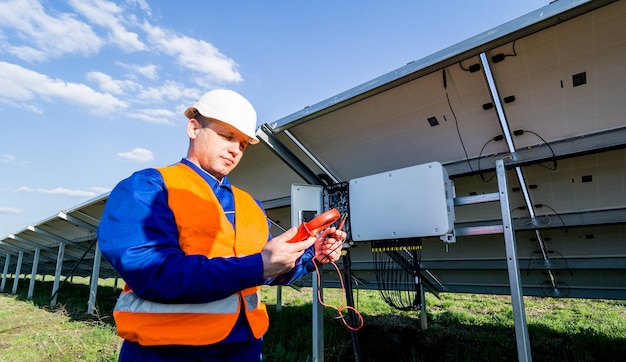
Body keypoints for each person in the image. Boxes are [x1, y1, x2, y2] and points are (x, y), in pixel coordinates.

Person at [97, 89, 345, 361]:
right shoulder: (150, 187)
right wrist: (258, 265)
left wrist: (312, 257)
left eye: (242, 144)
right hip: (168, 351)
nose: (234, 150)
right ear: (193, 128)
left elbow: (265, 271)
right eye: (226, 136)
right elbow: (152, 272)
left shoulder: (249, 204)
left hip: (246, 348)